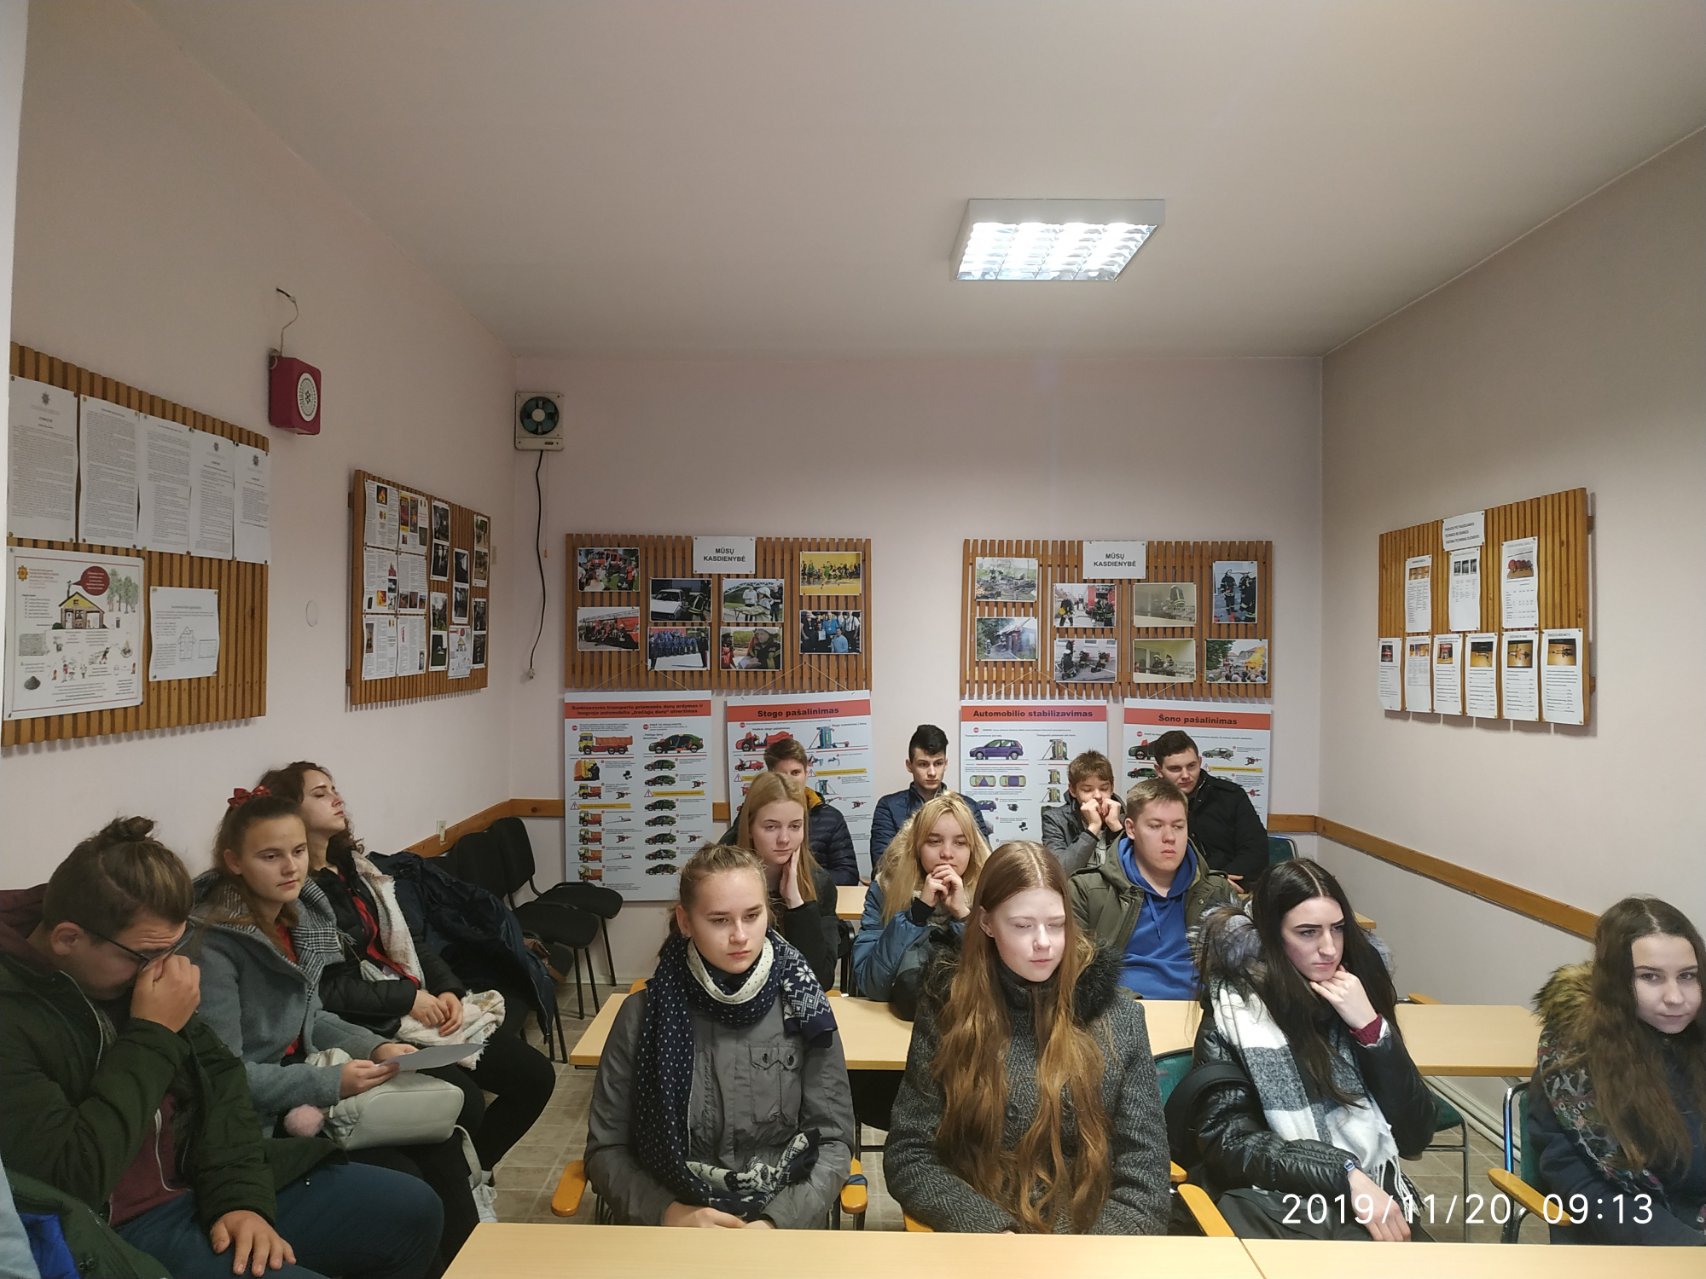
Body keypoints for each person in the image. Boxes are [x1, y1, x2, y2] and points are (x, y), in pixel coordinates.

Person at [0, 816, 442, 1279]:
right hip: (116, 1226)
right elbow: (74, 1177)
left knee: (414, 1209)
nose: (165, 972)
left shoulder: (130, 971)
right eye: (146, 956)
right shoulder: (15, 1016)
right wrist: (153, 1032)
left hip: (200, 1183)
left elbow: (222, 1085)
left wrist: (239, 1200)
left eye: (172, 951)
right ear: (68, 938)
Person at [192, 790, 481, 1265]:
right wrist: (330, 1081)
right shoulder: (214, 949)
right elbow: (225, 1077)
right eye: (270, 856)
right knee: (407, 1184)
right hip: (257, 1126)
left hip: (304, 1090)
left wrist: (377, 1047)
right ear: (234, 862)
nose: (291, 867)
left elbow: (314, 1016)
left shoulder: (296, 919)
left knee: (443, 1144)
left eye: (297, 851)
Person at [258, 762, 556, 1174]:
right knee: (465, 1103)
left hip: (412, 999)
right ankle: (459, 1181)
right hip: (373, 1022)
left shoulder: (357, 868)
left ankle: (474, 1172)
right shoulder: (299, 893)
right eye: (320, 794)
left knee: (536, 1078)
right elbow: (326, 989)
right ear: (290, 810)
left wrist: (448, 989)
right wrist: (409, 999)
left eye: (334, 789)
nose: (337, 799)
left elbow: (407, 940)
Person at [884, 842, 1172, 1233]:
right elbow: (910, 1153)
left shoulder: (1119, 1019)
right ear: (986, 923)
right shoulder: (948, 1008)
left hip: (1093, 1238)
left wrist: (1094, 1253)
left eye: (1056, 924)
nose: (1044, 942)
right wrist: (993, 1231)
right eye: (1022, 926)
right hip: (985, 1233)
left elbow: (1145, 1175)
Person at [584, 844, 855, 1227]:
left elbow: (832, 1140)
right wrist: (670, 1213)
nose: (740, 935)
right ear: (685, 921)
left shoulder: (803, 1007)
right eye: (719, 920)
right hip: (675, 1220)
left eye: (752, 915)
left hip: (780, 1221)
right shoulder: (643, 1014)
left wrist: (775, 1222)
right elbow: (607, 1149)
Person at [1183, 858, 1435, 1240]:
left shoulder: (1357, 992)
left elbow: (1415, 1133)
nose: (1329, 948)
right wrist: (1342, 1173)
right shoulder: (1234, 1013)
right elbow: (1229, 1142)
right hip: (1279, 1207)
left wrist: (1370, 1029)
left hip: (1374, 1194)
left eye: (1338, 929)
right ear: (1271, 936)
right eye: (1307, 932)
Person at [1529, 896, 1706, 1246]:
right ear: (1616, 982)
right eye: (1651, 977)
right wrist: (1688, 1247)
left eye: (1687, 976)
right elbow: (1584, 1189)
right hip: (1630, 1243)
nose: (1675, 997)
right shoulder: (1572, 1064)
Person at [1068, 778, 1238, 998]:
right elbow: (1075, 974)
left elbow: (1240, 971)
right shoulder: (1087, 891)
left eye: (1178, 826)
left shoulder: (1216, 891)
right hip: (1120, 1007)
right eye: (1156, 826)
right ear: (1131, 828)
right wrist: (1128, 1009)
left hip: (1200, 1009)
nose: (1169, 837)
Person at [853, 793, 990, 1008]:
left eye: (960, 843)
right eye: (934, 842)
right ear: (917, 847)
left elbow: (998, 984)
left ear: (972, 849)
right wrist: (916, 915)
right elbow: (871, 985)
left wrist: (964, 916)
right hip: (900, 1015)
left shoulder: (989, 891)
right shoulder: (886, 887)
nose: (947, 853)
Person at [730, 770, 839, 988]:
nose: (784, 839)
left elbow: (820, 980)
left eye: (795, 826)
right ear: (749, 827)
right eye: (771, 827)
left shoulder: (819, 883)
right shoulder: (724, 879)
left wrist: (796, 904)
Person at [720, 737, 859, 885]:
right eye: (771, 826)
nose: (790, 780)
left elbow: (848, 874)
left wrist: (802, 878)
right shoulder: (754, 812)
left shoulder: (831, 817)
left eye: (795, 773)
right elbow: (723, 861)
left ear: (806, 773)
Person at [1148, 730, 1268, 882]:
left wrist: (1219, 882)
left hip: (1230, 883)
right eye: (1175, 769)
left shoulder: (1231, 796)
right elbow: (1145, 858)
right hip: (1173, 886)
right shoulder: (1148, 803)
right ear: (1159, 770)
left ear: (1199, 761)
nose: (1185, 775)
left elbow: (1256, 850)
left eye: (1191, 766)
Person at [870, 723, 991, 861]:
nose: (932, 772)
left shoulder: (968, 807)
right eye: (923, 764)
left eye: (938, 763)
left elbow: (983, 861)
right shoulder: (888, 807)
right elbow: (882, 864)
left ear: (945, 764)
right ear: (909, 765)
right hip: (907, 877)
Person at [1041, 750, 1123, 873]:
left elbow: (1139, 871)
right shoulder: (1054, 819)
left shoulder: (1126, 817)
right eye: (1087, 790)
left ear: (1112, 788)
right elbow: (1060, 872)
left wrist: (1117, 828)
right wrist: (1093, 828)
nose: (1098, 796)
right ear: (1073, 790)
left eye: (1104, 788)